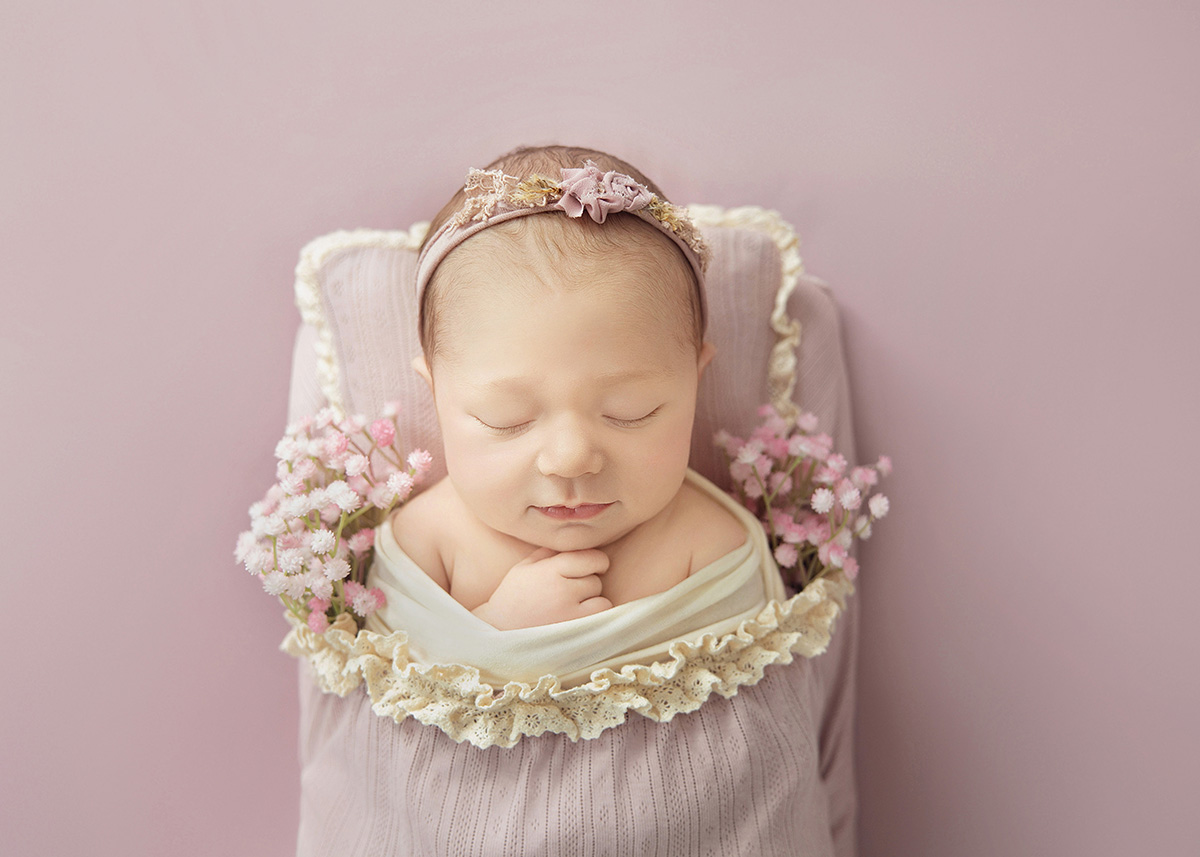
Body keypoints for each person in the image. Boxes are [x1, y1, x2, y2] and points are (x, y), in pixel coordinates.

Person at [291, 145, 858, 856]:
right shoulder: (427, 539)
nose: (571, 459)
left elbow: (746, 736)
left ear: (695, 378)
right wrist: (498, 634)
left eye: (631, 410)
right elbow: (394, 711)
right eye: (505, 419)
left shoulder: (706, 543)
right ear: (433, 391)